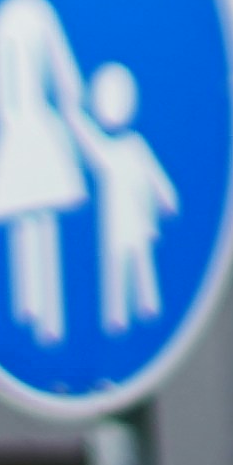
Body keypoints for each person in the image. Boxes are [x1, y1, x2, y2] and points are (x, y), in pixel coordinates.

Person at [0, 0, 91, 348]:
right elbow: (65, 73)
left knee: (27, 217)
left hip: (16, 130)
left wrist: (4, 123)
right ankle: (46, 317)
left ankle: (33, 309)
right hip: (35, 126)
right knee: (40, 219)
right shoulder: (36, 14)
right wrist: (74, 104)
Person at [85, 55, 181, 337]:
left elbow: (155, 176)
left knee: (140, 265)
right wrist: (73, 116)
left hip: (136, 221)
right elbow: (89, 143)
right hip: (117, 226)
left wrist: (166, 198)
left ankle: (147, 307)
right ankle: (116, 318)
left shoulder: (134, 147)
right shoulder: (109, 150)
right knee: (116, 270)